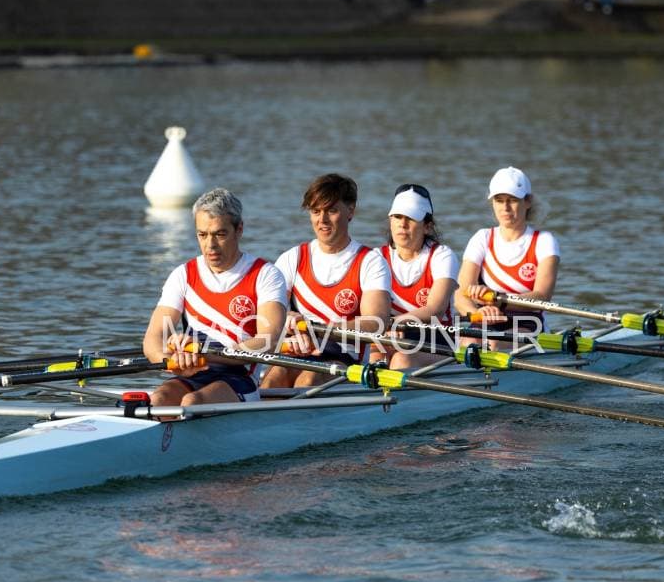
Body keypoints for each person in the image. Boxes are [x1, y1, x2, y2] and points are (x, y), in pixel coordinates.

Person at [142, 188, 287, 407]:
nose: (210, 245)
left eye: (220, 234)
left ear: (239, 230)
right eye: (202, 235)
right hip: (193, 372)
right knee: (158, 399)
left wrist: (205, 354)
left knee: (192, 402)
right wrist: (171, 360)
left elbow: (269, 340)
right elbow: (153, 337)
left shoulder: (265, 275)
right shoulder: (183, 275)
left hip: (239, 377)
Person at [261, 173, 391, 389]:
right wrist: (286, 317)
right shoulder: (292, 258)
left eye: (331, 210)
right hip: (297, 350)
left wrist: (319, 332)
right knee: (272, 381)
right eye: (315, 211)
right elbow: (267, 317)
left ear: (351, 211)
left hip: (344, 358)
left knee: (308, 380)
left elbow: (375, 323)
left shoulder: (370, 262)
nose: (322, 220)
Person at [454, 166, 560, 339]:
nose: (505, 207)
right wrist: (476, 313)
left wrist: (498, 301)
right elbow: (460, 295)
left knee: (494, 344)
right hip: (486, 319)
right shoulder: (482, 238)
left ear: (528, 201)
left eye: (512, 200)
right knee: (468, 343)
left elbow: (542, 296)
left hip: (528, 322)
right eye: (499, 200)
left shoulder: (544, 241)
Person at [373, 183, 458, 369]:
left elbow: (435, 310)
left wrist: (393, 324)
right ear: (390, 221)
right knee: (374, 356)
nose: (402, 224)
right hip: (390, 335)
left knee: (401, 360)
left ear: (427, 227)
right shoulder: (376, 258)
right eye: (397, 217)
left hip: (436, 339)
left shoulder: (442, 256)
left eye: (410, 218)